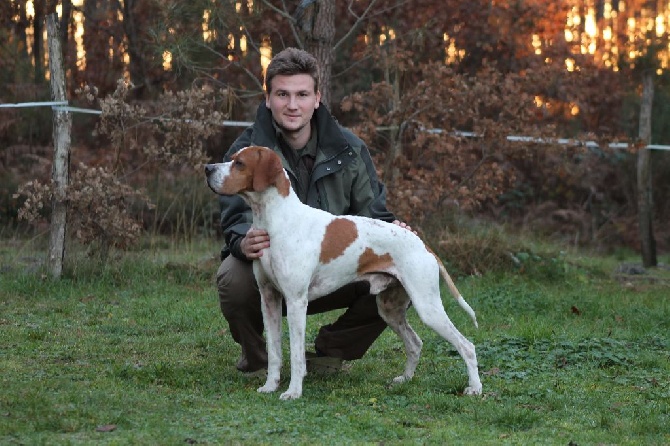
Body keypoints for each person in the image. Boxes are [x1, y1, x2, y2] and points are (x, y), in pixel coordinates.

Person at [216, 47, 412, 375]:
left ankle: (329, 353)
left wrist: (396, 233)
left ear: (317, 98)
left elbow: (373, 213)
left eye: (302, 94)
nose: (293, 105)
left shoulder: (350, 149)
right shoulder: (245, 153)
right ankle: (260, 360)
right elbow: (234, 218)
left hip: (333, 271)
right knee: (233, 279)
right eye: (282, 94)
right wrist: (241, 242)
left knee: (396, 270)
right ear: (268, 98)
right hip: (273, 266)